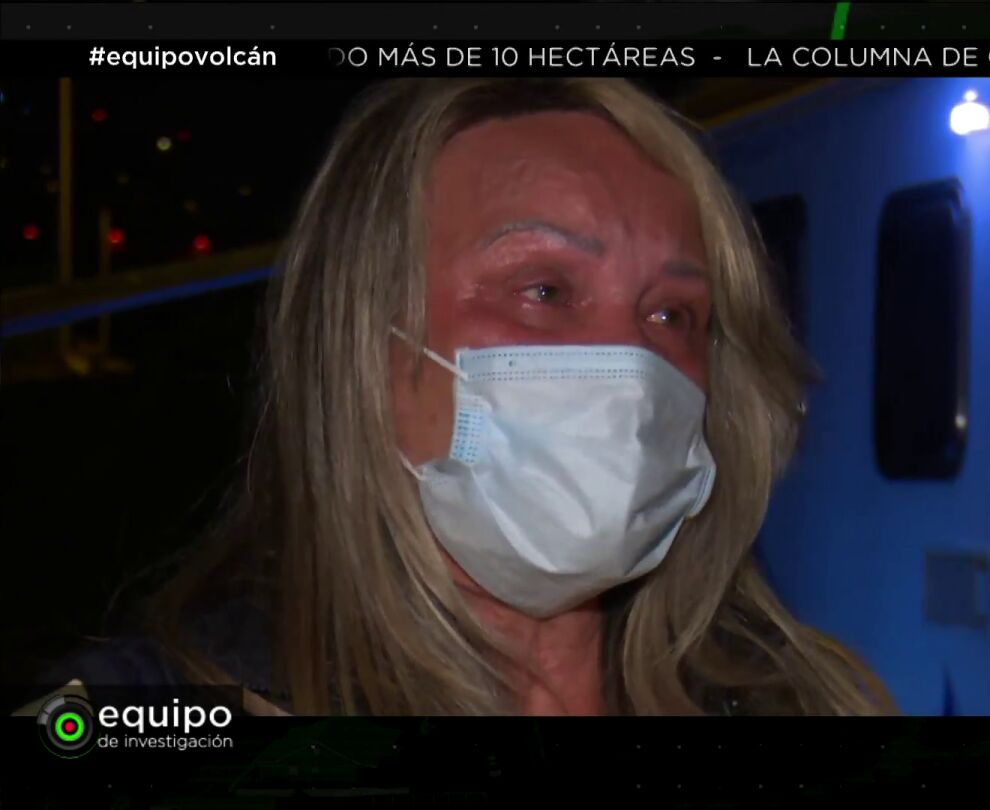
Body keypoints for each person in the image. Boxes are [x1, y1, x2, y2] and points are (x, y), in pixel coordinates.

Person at [21, 79, 893, 716]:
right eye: (544, 291)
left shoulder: (807, 702)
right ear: (369, 345)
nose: (630, 364)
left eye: (672, 314)